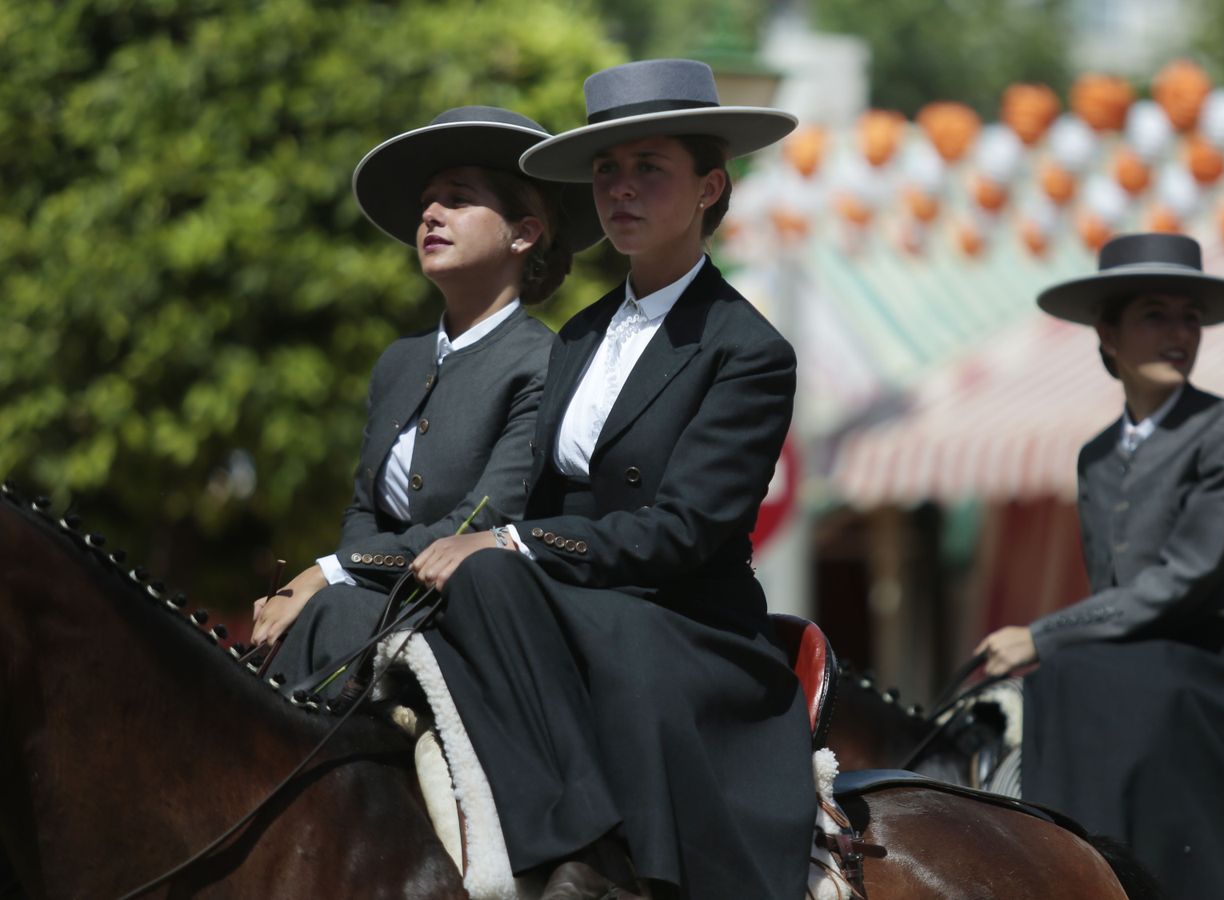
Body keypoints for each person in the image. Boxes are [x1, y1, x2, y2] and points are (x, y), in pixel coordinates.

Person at [403, 60, 812, 900]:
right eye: (606, 173)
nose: (620, 190)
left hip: (683, 618)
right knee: (450, 594)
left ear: (708, 188)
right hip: (571, 592)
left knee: (487, 576)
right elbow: (524, 495)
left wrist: (512, 542)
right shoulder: (577, 336)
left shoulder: (748, 351)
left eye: (648, 170)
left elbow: (687, 530)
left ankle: (577, 848)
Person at [974, 233, 1224, 900]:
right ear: (1108, 333)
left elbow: (1185, 575)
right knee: (1060, 685)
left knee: (1081, 670)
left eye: (1190, 317)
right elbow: (1114, 593)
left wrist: (1041, 636)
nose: (1180, 333)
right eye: (1156, 315)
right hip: (1141, 663)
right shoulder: (1096, 456)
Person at [250, 107, 602, 697]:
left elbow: (485, 518)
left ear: (523, 233)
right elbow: (364, 510)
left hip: (476, 612)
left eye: (458, 200)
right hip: (372, 603)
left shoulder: (544, 362)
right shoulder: (399, 362)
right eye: (426, 203)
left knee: (330, 617)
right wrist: (333, 584)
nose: (431, 215)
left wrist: (330, 576)